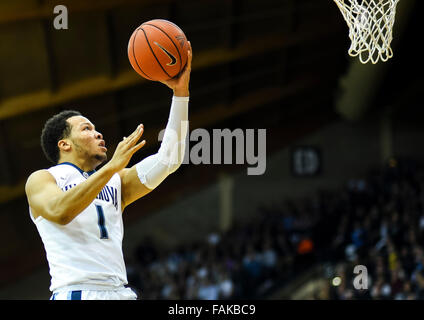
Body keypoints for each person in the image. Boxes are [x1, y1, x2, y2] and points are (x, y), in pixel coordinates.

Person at [24, 43, 192, 300]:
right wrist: (112, 167)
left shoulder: (116, 181)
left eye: (95, 128)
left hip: (120, 292)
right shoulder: (43, 178)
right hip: (77, 292)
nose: (97, 132)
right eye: (86, 129)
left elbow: (170, 159)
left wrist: (180, 94)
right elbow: (59, 212)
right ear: (64, 144)